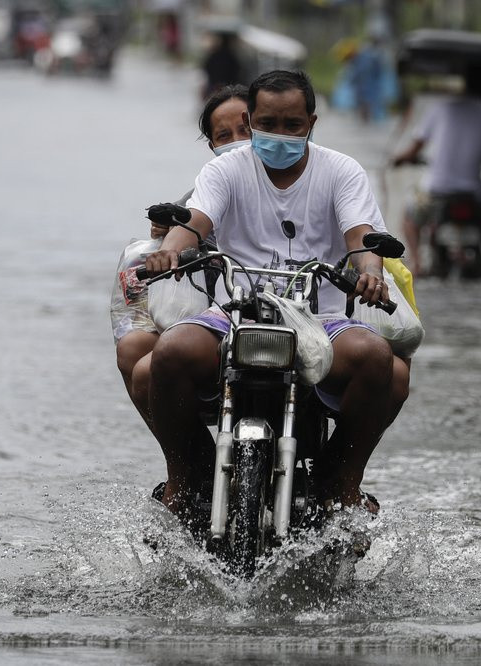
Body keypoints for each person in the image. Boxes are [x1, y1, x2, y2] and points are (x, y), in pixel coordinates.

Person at [142, 69, 409, 517]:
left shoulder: (341, 171)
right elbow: (193, 222)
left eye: (292, 125)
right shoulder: (225, 167)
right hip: (234, 313)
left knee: (376, 358)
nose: (278, 135)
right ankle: (185, 477)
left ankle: (340, 482)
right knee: (168, 354)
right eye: (266, 124)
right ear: (252, 119)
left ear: (312, 123)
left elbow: (362, 239)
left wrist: (370, 274)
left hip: (320, 320)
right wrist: (169, 252)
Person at [115, 85, 251, 431]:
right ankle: (191, 463)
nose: (237, 141)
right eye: (225, 136)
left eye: (246, 130)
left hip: (293, 308)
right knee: (135, 350)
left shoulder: (320, 175)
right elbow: (190, 224)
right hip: (221, 309)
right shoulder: (210, 185)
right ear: (212, 147)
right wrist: (167, 245)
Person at [391, 64, 481, 276]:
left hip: (435, 192)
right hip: (473, 195)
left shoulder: (440, 108)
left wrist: (400, 159)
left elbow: (413, 149)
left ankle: (416, 264)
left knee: (408, 217)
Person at [201, 31, 242, 100]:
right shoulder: (231, 56)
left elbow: (206, 67)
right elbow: (237, 70)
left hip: (214, 84)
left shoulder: (214, 55)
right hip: (228, 85)